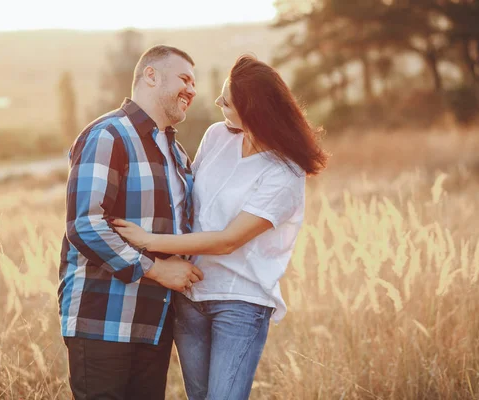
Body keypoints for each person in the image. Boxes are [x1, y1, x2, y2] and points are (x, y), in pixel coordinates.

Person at [112, 54, 329, 400]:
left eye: (225, 101)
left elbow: (229, 241)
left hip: (240, 301)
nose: (215, 103)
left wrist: (151, 241)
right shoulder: (217, 136)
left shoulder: (284, 172)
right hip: (191, 294)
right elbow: (188, 198)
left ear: (253, 109)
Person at [58, 45, 204, 400]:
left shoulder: (177, 153)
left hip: (154, 324)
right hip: (104, 321)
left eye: (194, 83)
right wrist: (157, 270)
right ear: (151, 76)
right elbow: (86, 224)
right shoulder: (109, 134)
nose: (192, 90)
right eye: (184, 78)